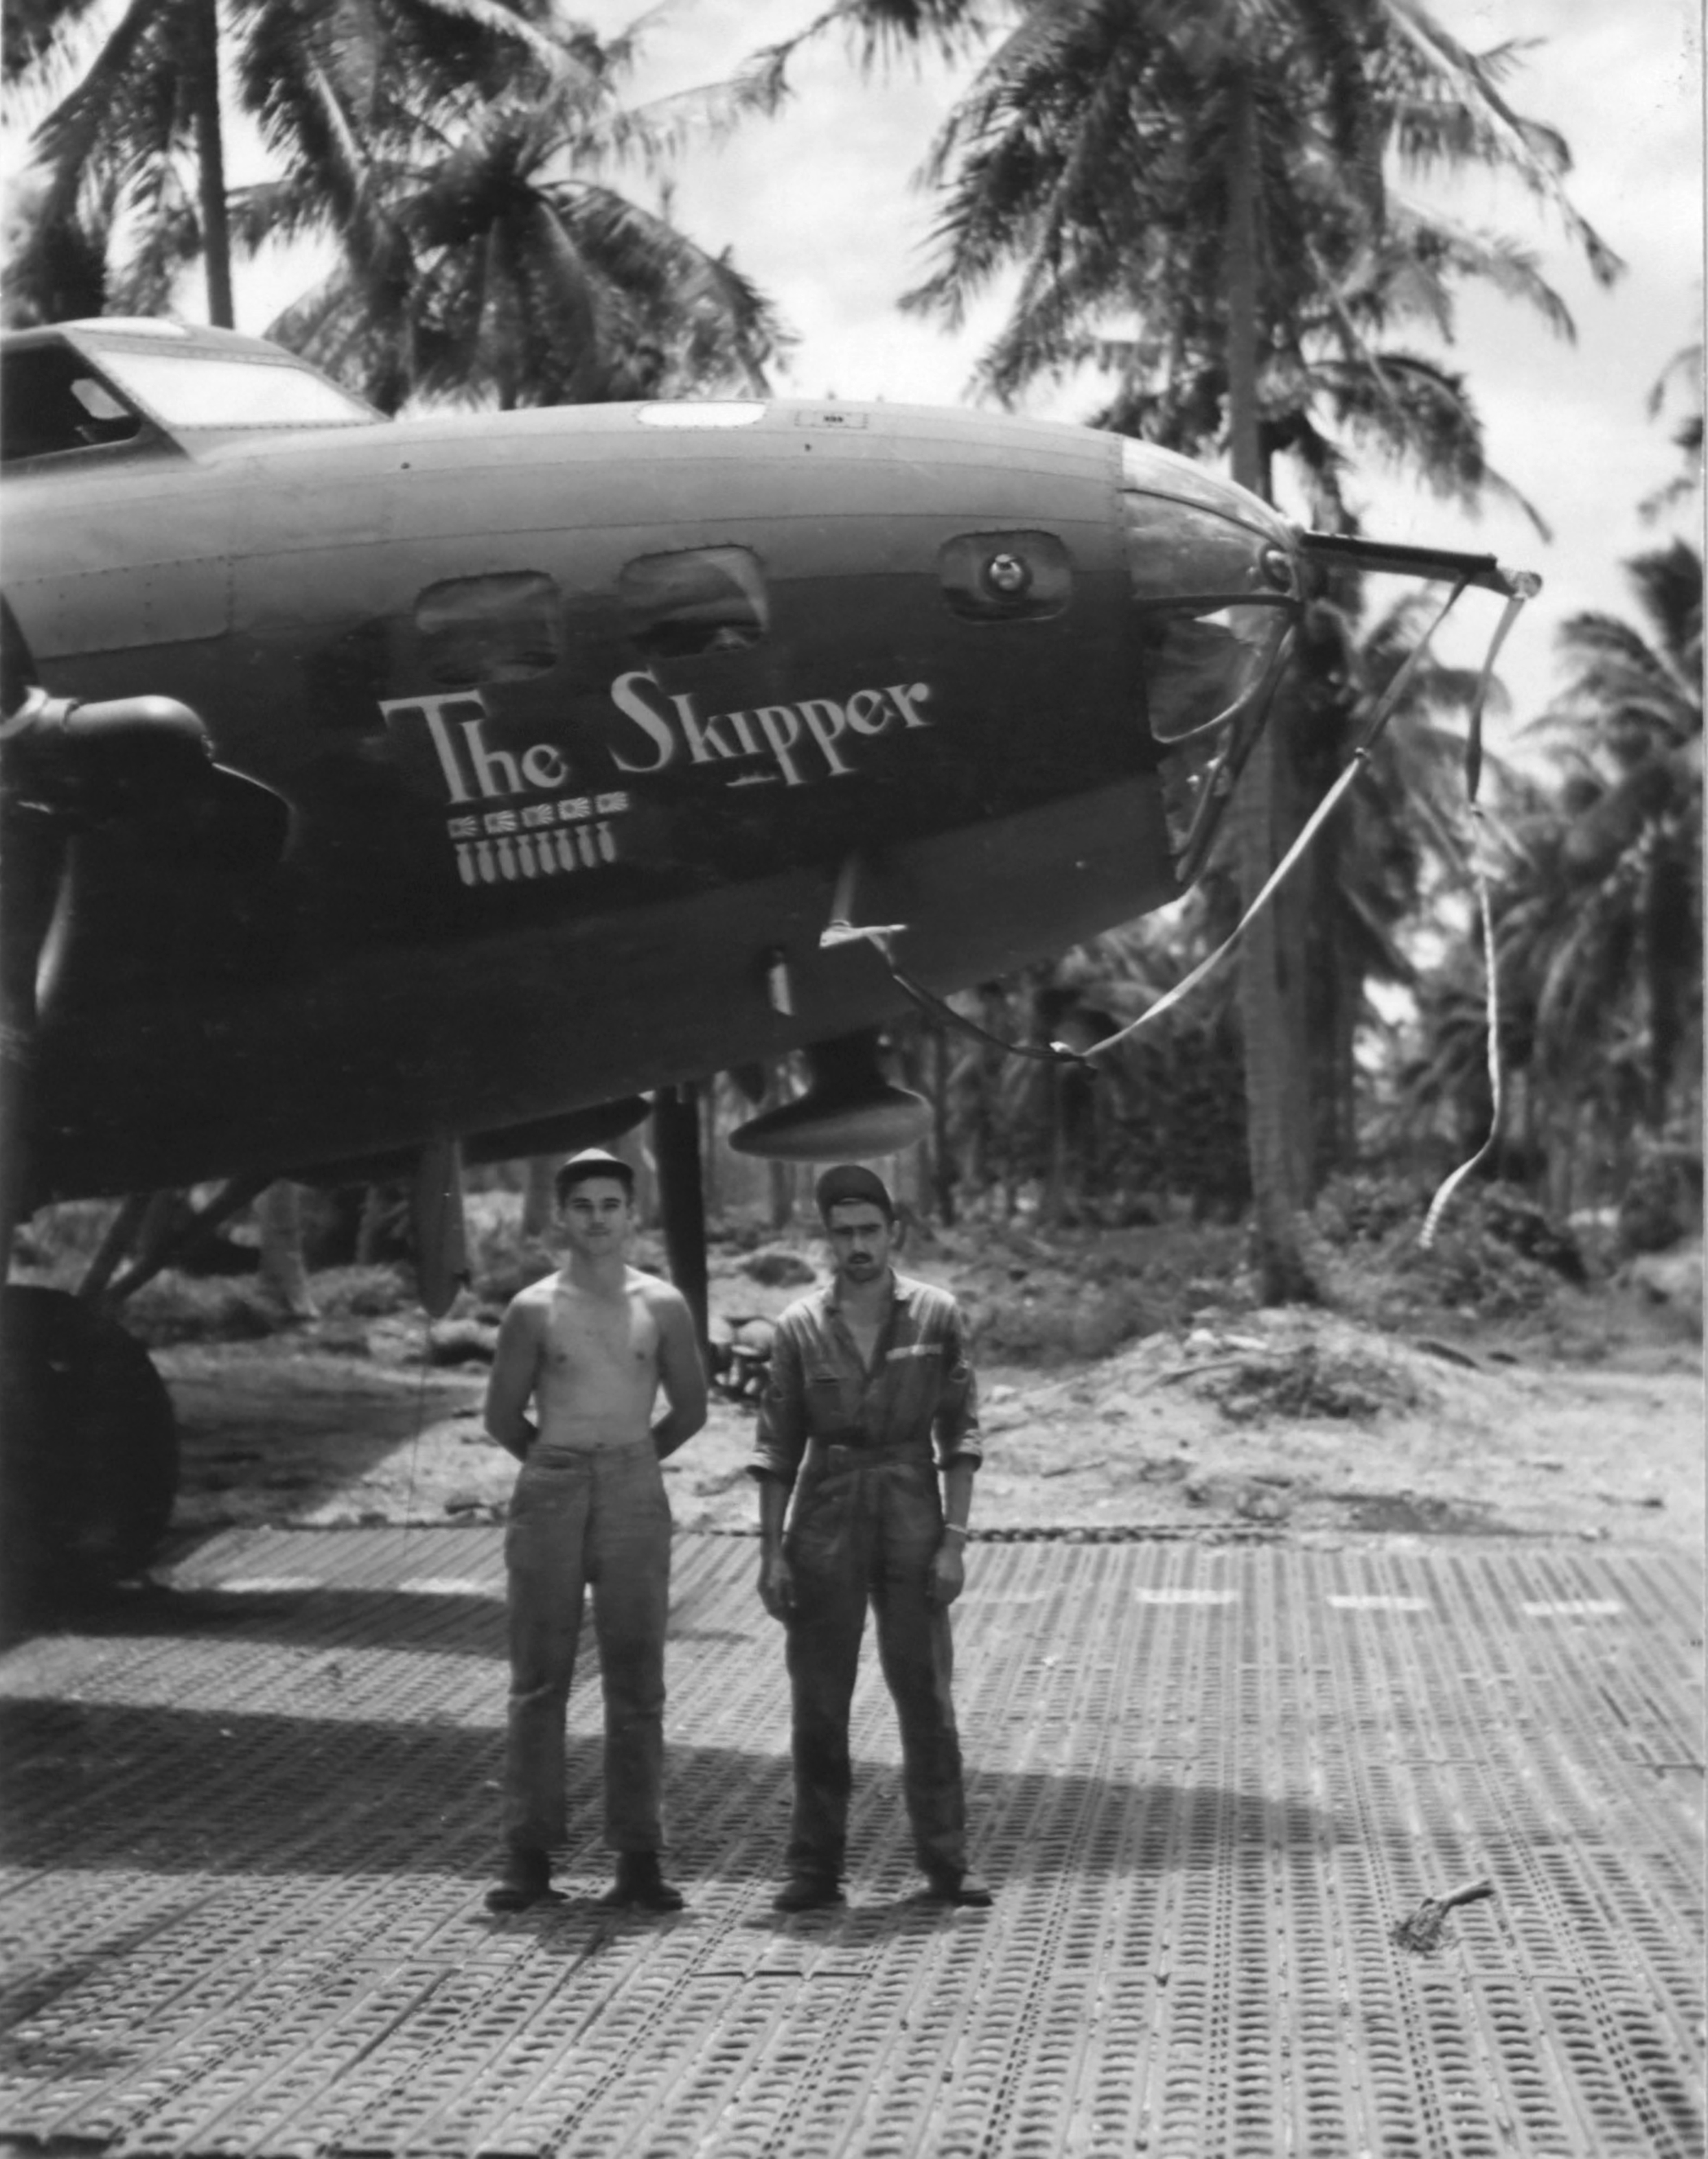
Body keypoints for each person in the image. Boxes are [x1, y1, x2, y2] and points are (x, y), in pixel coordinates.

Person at [752, 1164, 992, 1911]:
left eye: (869, 1230)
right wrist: (769, 1554)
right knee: (819, 1698)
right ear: (827, 1239)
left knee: (926, 1692)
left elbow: (960, 1433)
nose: (857, 1245)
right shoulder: (796, 1327)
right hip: (825, 1512)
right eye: (843, 1233)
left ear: (894, 1232)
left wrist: (953, 1540)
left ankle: (947, 1864)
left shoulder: (935, 1316)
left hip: (910, 1504)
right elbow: (775, 1449)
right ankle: (815, 1868)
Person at [483, 1147, 708, 1914]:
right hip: (551, 1483)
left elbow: (691, 1407)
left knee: (636, 1680)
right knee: (538, 1678)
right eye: (583, 1206)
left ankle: (638, 1858)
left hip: (632, 1487)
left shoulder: (663, 1305)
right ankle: (529, 1855)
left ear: (630, 1214)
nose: (598, 1219)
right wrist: (555, 1464)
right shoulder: (534, 1308)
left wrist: (631, 1461)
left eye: (611, 1205)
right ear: (561, 1216)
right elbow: (501, 1413)